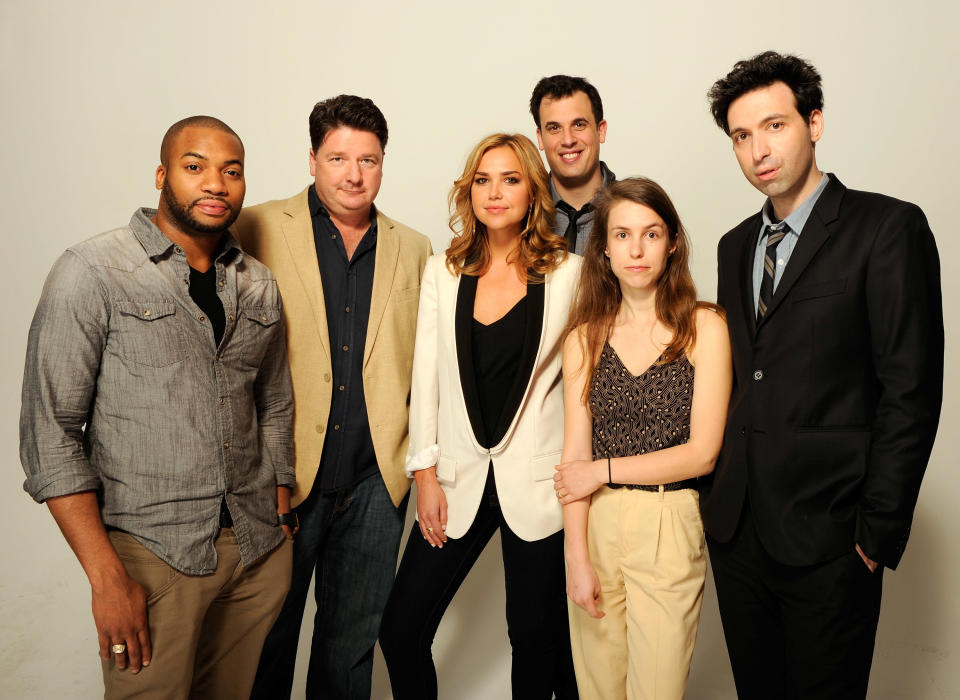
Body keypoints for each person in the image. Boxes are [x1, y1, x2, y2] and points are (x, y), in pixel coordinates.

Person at [19, 116, 295, 699]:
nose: (215, 183)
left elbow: (272, 400)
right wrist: (106, 577)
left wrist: (279, 501)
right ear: (162, 175)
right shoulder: (91, 271)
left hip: (254, 552)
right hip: (150, 555)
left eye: (232, 171)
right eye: (195, 167)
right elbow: (52, 434)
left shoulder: (258, 284)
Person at [703, 51, 944, 698]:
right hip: (738, 537)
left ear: (815, 122)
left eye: (775, 126)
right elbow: (739, 381)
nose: (759, 149)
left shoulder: (886, 227)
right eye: (742, 135)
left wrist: (875, 534)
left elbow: (911, 389)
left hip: (834, 540)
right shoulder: (733, 246)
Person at [233, 94, 432, 699]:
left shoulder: (415, 248)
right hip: (283, 478)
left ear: (383, 163)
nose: (354, 174)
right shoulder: (257, 227)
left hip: (376, 482)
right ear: (313, 159)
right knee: (266, 639)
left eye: (368, 160)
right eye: (339, 157)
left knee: (350, 648)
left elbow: (424, 368)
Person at [379, 133, 580, 699]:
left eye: (511, 179)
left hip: (539, 488)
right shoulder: (446, 271)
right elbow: (427, 376)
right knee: (401, 632)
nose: (496, 193)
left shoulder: (572, 274)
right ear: (468, 192)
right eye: (483, 180)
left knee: (537, 642)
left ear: (533, 191)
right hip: (457, 481)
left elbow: (584, 385)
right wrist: (424, 473)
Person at [554, 178, 732, 699]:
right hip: (596, 524)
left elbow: (702, 453)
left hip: (668, 521)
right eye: (622, 235)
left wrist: (604, 471)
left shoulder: (704, 327)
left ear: (672, 242)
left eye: (651, 234)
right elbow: (573, 459)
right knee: (599, 691)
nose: (636, 249)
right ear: (602, 247)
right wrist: (577, 559)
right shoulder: (583, 338)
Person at [530, 75, 616, 254]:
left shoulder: (635, 211)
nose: (568, 140)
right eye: (554, 128)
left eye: (579, 124)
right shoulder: (522, 215)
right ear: (540, 138)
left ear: (601, 130)